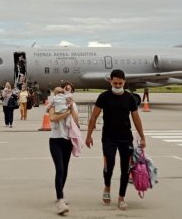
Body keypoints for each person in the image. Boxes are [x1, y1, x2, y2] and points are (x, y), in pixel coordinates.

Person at [85, 70, 146, 211]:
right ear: (110, 81)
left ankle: (121, 198)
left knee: (126, 169)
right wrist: (89, 135)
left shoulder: (130, 98)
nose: (118, 85)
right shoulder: (104, 97)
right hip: (109, 138)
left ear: (124, 82)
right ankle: (107, 186)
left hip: (125, 138)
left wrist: (142, 136)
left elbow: (136, 118)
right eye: (115, 83)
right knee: (109, 165)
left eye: (120, 83)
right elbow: (94, 117)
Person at [48, 86, 80, 215]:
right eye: (58, 92)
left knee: (65, 169)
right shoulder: (52, 105)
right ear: (54, 94)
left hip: (67, 141)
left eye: (63, 92)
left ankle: (60, 193)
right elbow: (52, 118)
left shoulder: (72, 105)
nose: (60, 94)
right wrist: (66, 113)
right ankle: (60, 200)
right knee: (60, 168)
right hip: (55, 140)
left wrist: (71, 107)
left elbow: (76, 121)